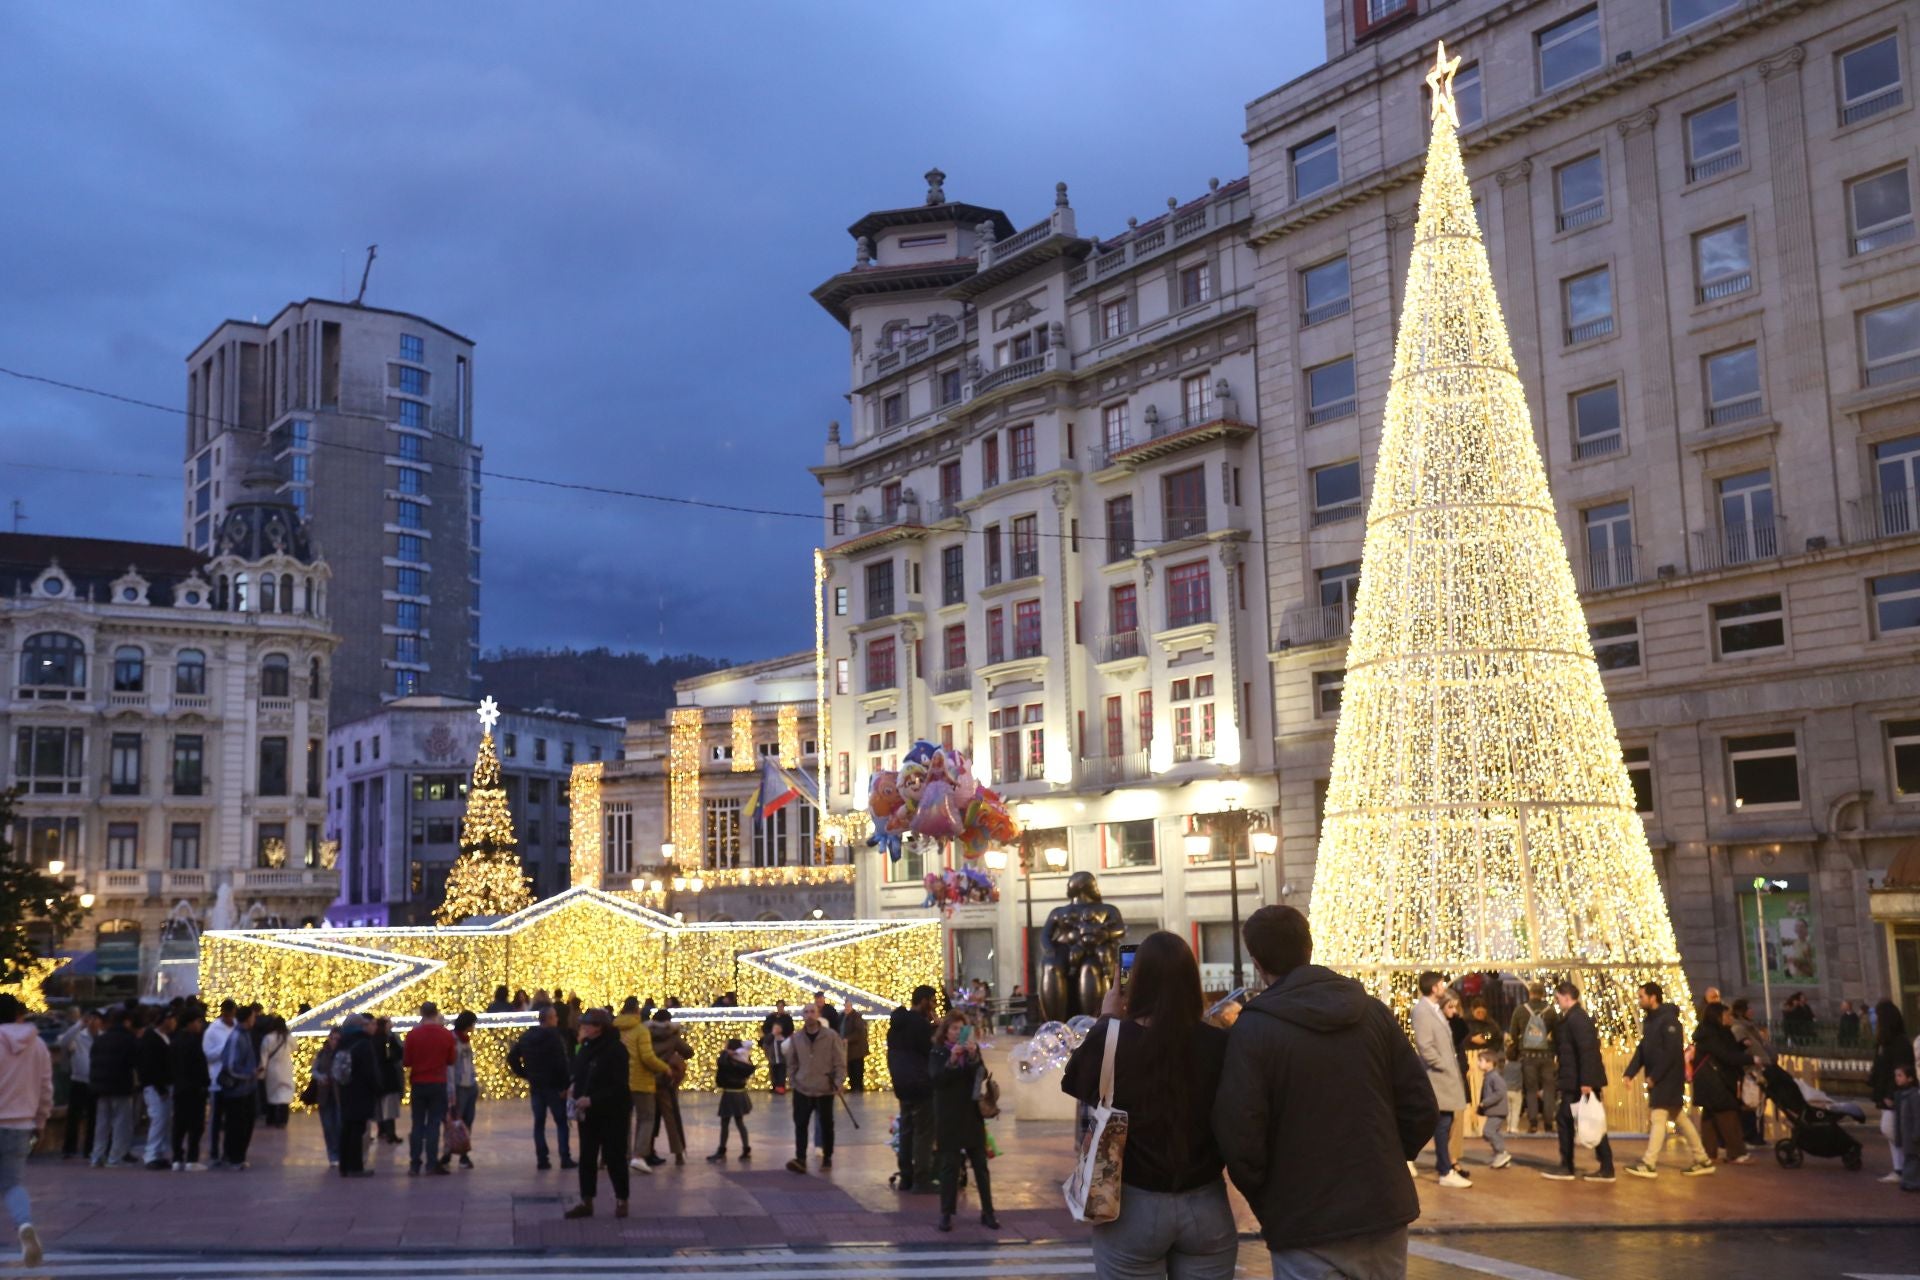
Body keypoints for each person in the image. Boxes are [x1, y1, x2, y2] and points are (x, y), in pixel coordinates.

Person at [1213, 906, 1435, 1278]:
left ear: (1257, 961)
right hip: (1381, 1209)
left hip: (1304, 1219)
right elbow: (1420, 1107)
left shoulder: (1254, 1030)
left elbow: (1240, 1134)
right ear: (1308, 946)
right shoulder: (1373, 1013)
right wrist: (1388, 1160)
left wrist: (1271, 1196)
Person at [1061, 930, 1230, 1276]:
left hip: (1131, 1203)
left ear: (1135, 984)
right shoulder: (1219, 1044)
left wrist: (1108, 1019)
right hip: (1206, 1200)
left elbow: (1075, 1081)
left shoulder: (1114, 1039)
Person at [1621, 982, 1712, 1179]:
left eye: (1642, 996)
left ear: (1653, 997)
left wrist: (1655, 1076)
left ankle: (1649, 1162)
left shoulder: (1669, 1021)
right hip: (1662, 1078)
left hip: (1668, 1078)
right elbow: (1643, 1049)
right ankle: (1702, 1158)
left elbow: (1671, 1053)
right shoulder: (1651, 1021)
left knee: (1659, 1117)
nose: (1640, 1000)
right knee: (1679, 1117)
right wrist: (1630, 1072)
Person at [927, 1009, 998, 1233]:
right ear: (945, 1032)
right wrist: (952, 1059)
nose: (958, 1032)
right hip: (948, 1116)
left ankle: (988, 1212)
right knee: (949, 1167)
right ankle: (946, 1214)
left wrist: (974, 1056)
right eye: (954, 1028)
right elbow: (937, 1080)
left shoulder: (972, 1052)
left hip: (971, 1116)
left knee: (980, 1166)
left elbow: (983, 1074)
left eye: (961, 1028)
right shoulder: (938, 1052)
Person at [1539, 981, 1612, 1182]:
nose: (1556, 1001)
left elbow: (1587, 1051)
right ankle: (1598, 1166)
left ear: (1566, 996)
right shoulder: (1572, 1018)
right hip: (1575, 1080)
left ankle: (1572, 1166)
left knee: (1578, 1120)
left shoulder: (1577, 1019)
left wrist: (1587, 1081)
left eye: (1557, 998)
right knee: (1583, 1120)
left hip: (1579, 1081)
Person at [565, 1007, 631, 1219]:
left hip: (613, 1112)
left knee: (614, 1157)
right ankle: (587, 1200)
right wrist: (574, 1086)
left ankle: (622, 1199)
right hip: (588, 1113)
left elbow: (620, 1086)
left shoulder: (616, 1050)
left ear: (599, 1028)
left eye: (587, 1024)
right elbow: (580, 1070)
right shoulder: (586, 1046)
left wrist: (593, 1099)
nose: (583, 1027)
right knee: (587, 1157)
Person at [0, 995, 51, 1266]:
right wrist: (41, 1122)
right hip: (21, 1123)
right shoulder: (38, 1045)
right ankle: (24, 1225)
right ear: (20, 1014)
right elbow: (46, 1088)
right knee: (12, 1183)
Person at [1412, 973, 1471, 1188]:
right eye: (1440, 984)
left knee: (1445, 1122)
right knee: (1441, 1123)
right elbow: (1425, 1046)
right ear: (1433, 987)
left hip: (1445, 1076)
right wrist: (1443, 1065)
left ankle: (1445, 1167)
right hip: (1438, 1077)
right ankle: (1444, 1169)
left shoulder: (1434, 1009)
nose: (1443, 987)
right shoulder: (1422, 1010)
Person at [783, 1001, 846, 1174]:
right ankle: (800, 1158)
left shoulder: (831, 1036)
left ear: (818, 1014)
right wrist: (794, 1081)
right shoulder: (796, 1038)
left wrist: (839, 1082)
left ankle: (827, 1158)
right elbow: (792, 1063)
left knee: (826, 1125)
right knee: (800, 1124)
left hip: (824, 1089)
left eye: (813, 1011)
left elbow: (840, 1062)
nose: (809, 1014)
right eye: (806, 1012)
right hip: (802, 1089)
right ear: (803, 1016)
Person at [508, 1005, 575, 1171]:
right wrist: (565, 1085)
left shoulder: (527, 1036)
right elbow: (561, 1063)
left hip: (537, 1086)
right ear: (550, 1019)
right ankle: (564, 1157)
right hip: (554, 1086)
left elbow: (512, 1057)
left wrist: (525, 1073)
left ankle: (542, 1159)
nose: (557, 1019)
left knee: (539, 1123)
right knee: (561, 1122)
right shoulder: (554, 1037)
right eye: (555, 1017)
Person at [612, 997, 670, 1176]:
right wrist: (665, 1068)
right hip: (640, 1081)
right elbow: (647, 1057)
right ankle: (638, 1155)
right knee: (646, 1118)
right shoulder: (641, 1030)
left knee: (623, 1120)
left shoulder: (614, 1029)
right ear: (637, 1011)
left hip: (619, 1081)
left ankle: (624, 1154)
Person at [889, 984, 937, 1193]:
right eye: (933, 1000)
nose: (934, 1004)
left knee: (907, 1129)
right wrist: (937, 1025)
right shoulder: (921, 1025)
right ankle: (921, 1179)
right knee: (923, 1133)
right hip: (921, 1083)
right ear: (924, 1000)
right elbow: (931, 1051)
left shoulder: (896, 1024)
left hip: (901, 1082)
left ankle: (906, 1178)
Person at [1691, 1001, 1752, 1166]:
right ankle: (1736, 1152)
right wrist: (1751, 1058)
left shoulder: (1718, 1033)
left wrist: (1740, 1046)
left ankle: (1708, 1153)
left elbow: (1727, 1051)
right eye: (1727, 1015)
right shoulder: (1712, 1034)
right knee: (1727, 1112)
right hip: (1714, 1080)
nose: (1730, 1018)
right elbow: (1725, 1055)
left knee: (1710, 1116)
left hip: (1710, 1079)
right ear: (1718, 1017)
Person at [403, 1001, 456, 1176]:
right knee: (434, 1124)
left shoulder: (412, 1035)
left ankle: (414, 1163)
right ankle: (431, 1163)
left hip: (418, 1082)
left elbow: (407, 1061)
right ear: (436, 1013)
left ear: (421, 1013)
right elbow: (451, 1060)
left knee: (417, 1124)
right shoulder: (446, 1035)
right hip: (438, 1082)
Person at [1869, 1000, 1915, 1185]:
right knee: (1891, 1130)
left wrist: (1890, 1092)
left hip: (1897, 1092)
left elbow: (1900, 1069)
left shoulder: (1899, 1043)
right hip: (1886, 1090)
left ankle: (1905, 1166)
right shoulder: (1884, 1042)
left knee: (1891, 1128)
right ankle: (1899, 1168)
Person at [88, 1006, 138, 1168]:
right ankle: (114, 1157)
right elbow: (134, 1062)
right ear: (126, 1022)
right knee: (120, 1123)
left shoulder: (101, 1039)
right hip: (121, 1086)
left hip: (101, 1087)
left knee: (101, 1123)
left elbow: (93, 1062)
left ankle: (97, 1156)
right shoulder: (128, 1039)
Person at [335, 1014, 383, 1178]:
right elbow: (370, 1071)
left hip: (345, 1089)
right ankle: (356, 1166)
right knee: (358, 1129)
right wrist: (377, 1088)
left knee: (347, 1128)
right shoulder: (364, 1043)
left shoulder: (342, 1042)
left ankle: (344, 1165)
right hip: (361, 1091)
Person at [1506, 982, 1556, 1135]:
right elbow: (1558, 1034)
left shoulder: (1521, 1010)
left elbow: (1513, 1034)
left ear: (1530, 993)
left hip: (1527, 1056)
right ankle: (1548, 1123)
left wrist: (1514, 1050)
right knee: (1549, 1089)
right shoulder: (1551, 1011)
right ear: (1543, 994)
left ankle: (1533, 1123)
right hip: (1547, 1055)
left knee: (1531, 1090)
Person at [646, 1009, 694, 1166]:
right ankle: (678, 1153)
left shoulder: (645, 1034)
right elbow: (688, 1052)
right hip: (666, 1082)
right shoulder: (672, 1037)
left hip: (647, 1081)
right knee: (671, 1118)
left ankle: (647, 1151)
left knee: (648, 1119)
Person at [217, 1006, 260, 1169]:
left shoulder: (245, 1035)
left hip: (246, 1088)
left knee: (246, 1124)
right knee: (236, 1125)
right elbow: (231, 1066)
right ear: (248, 1018)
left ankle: (238, 1156)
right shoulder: (237, 1037)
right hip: (237, 1090)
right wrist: (249, 1073)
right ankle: (233, 1157)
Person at [135, 1006, 176, 1170]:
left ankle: (159, 1153)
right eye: (172, 1019)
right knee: (158, 1119)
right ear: (165, 1020)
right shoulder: (151, 1039)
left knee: (164, 1120)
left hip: (164, 1085)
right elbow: (150, 1066)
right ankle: (151, 1154)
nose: (174, 1022)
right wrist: (160, 1087)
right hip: (155, 1087)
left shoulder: (165, 1037)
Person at [170, 1004, 208, 1170]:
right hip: (194, 1089)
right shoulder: (194, 1042)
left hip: (179, 1088)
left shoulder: (175, 1040)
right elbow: (200, 1067)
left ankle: (177, 1158)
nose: (200, 1025)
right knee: (195, 1125)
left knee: (179, 1124)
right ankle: (192, 1158)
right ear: (190, 1023)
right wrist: (205, 1083)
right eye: (198, 1022)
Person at [708, 1038, 757, 1161]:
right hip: (740, 1093)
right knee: (740, 1122)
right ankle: (746, 1148)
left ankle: (722, 1149)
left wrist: (725, 1053)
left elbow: (721, 1063)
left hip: (730, 1094)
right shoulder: (745, 1061)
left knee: (725, 1123)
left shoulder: (729, 1061)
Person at [57, 1009, 96, 1160]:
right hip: (78, 1080)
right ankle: (69, 1148)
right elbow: (64, 1041)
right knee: (74, 1116)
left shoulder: (102, 1036)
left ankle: (89, 1148)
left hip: (94, 1081)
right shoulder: (78, 1035)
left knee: (93, 1116)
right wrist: (79, 1024)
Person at [443, 1010, 479, 1170]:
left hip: (470, 1084)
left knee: (468, 1120)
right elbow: (450, 1065)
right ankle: (448, 1152)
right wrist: (451, 1089)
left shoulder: (466, 1040)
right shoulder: (453, 1039)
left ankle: (463, 1152)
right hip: (458, 1085)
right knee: (456, 1120)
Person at [201, 999, 236, 1165]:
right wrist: (224, 1050)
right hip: (217, 1080)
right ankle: (214, 1150)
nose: (231, 1017)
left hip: (235, 1080)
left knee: (232, 1119)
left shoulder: (237, 1027)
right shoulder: (213, 1031)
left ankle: (228, 1151)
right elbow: (207, 1054)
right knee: (216, 1119)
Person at [1475, 1049, 1511, 1170]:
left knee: (1488, 1132)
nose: (1478, 1063)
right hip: (1495, 1110)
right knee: (1493, 1132)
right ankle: (1500, 1155)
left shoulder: (1494, 1077)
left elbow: (1500, 1092)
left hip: (1498, 1110)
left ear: (1490, 1063)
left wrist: (1485, 1102)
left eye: (1481, 1061)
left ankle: (1501, 1153)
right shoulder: (1490, 1076)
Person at [312, 1030, 342, 1167]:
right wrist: (321, 1077)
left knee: (339, 1126)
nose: (334, 1041)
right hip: (325, 1094)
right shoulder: (322, 1053)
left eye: (337, 1039)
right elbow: (314, 1070)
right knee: (328, 1126)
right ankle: (333, 1155)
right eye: (333, 1038)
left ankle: (339, 1153)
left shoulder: (343, 1054)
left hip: (339, 1095)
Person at [374, 1016, 405, 1145]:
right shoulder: (389, 1039)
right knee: (389, 1109)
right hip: (389, 1078)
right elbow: (398, 1053)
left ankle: (383, 1131)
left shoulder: (374, 1039)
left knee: (382, 1108)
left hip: (380, 1078)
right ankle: (390, 1133)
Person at [260, 1015, 294, 1128]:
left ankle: (271, 1118)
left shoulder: (268, 1038)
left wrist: (262, 1069)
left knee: (272, 1094)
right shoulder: (288, 1037)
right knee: (285, 1095)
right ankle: (283, 1120)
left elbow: (264, 1055)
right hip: (286, 1069)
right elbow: (296, 1047)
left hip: (272, 1069)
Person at [1893, 1062, 1919, 1193]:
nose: (1897, 1078)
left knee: (1912, 1159)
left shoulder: (1913, 1096)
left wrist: (1916, 1134)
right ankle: (1909, 1181)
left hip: (1912, 1135)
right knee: (1910, 1158)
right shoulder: (1900, 1095)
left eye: (1900, 1075)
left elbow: (1917, 1116)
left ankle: (1910, 1182)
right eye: (1896, 1075)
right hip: (1907, 1134)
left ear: (1910, 1078)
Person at [761, 1000, 795, 1094]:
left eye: (781, 1006)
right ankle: (775, 1085)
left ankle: (781, 1086)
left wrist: (782, 1033)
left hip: (782, 1042)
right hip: (772, 1044)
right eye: (778, 1006)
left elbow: (790, 1029)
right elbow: (765, 1028)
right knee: (773, 1066)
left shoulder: (787, 1018)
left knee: (782, 1066)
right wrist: (772, 1034)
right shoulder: (771, 1017)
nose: (780, 1008)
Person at [842, 1000, 869, 1093]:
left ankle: (857, 1088)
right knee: (851, 1070)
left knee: (857, 1070)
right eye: (845, 1006)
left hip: (857, 1050)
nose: (846, 1008)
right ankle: (854, 1088)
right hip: (849, 1050)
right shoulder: (843, 1016)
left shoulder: (856, 1017)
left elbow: (859, 1032)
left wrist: (847, 1039)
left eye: (848, 1006)